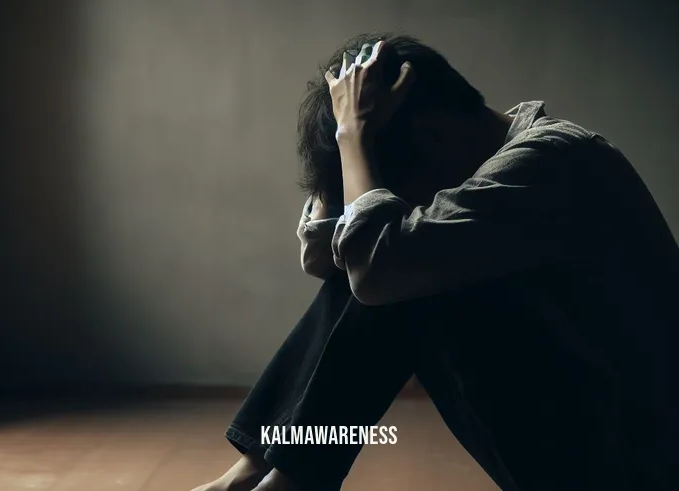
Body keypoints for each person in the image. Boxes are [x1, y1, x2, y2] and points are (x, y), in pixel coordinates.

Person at [190, 33, 677, 491]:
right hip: (593, 446)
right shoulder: (499, 167)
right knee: (379, 260)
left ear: (435, 137)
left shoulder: (553, 161)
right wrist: (342, 135)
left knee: (392, 267)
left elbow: (375, 267)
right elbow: (322, 257)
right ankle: (259, 471)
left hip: (638, 465)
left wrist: (355, 133)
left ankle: (287, 478)